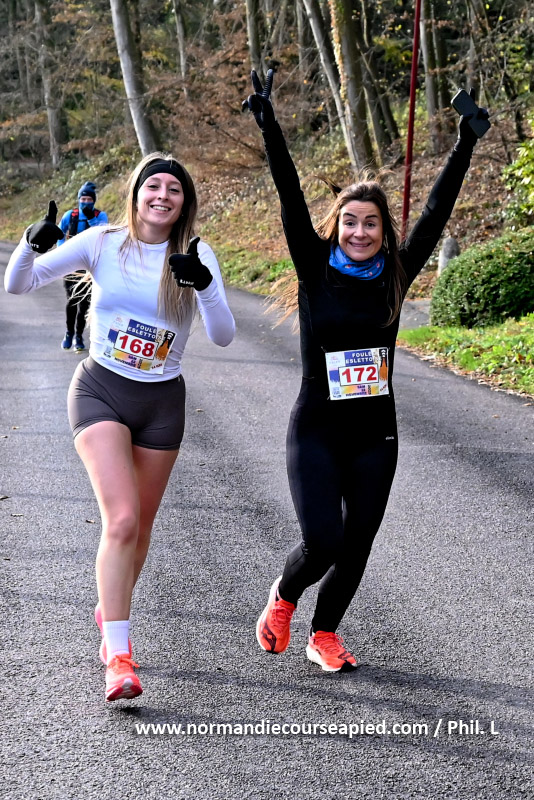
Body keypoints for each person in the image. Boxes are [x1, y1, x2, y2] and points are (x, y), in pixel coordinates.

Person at [243, 72, 490, 672]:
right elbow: (290, 194)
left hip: (376, 432)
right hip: (317, 428)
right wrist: (271, 127)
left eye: (371, 223)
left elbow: (435, 211)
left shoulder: (396, 273)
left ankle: (324, 634)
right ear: (337, 225)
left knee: (357, 544)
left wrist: (465, 143)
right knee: (323, 540)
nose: (359, 231)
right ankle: (285, 595)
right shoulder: (314, 266)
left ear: (384, 231)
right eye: (350, 221)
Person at [5, 153, 235, 700]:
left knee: (141, 529)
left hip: (162, 403)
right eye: (153, 186)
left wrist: (205, 285)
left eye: (173, 189)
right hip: (101, 389)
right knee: (123, 519)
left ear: (184, 201)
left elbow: (223, 335)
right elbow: (19, 284)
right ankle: (119, 657)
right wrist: (29, 244)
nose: (162, 196)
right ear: (135, 194)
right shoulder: (103, 242)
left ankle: (110, 610)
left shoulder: (196, 253)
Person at [58, 181, 108, 352]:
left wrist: (91, 218)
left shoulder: (100, 216)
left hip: (90, 265)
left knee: (85, 302)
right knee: (72, 300)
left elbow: (103, 235)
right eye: (83, 199)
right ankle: (68, 333)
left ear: (93, 200)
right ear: (79, 199)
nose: (85, 202)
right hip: (71, 264)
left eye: (89, 199)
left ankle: (79, 336)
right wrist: (63, 248)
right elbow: (60, 234)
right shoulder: (70, 215)